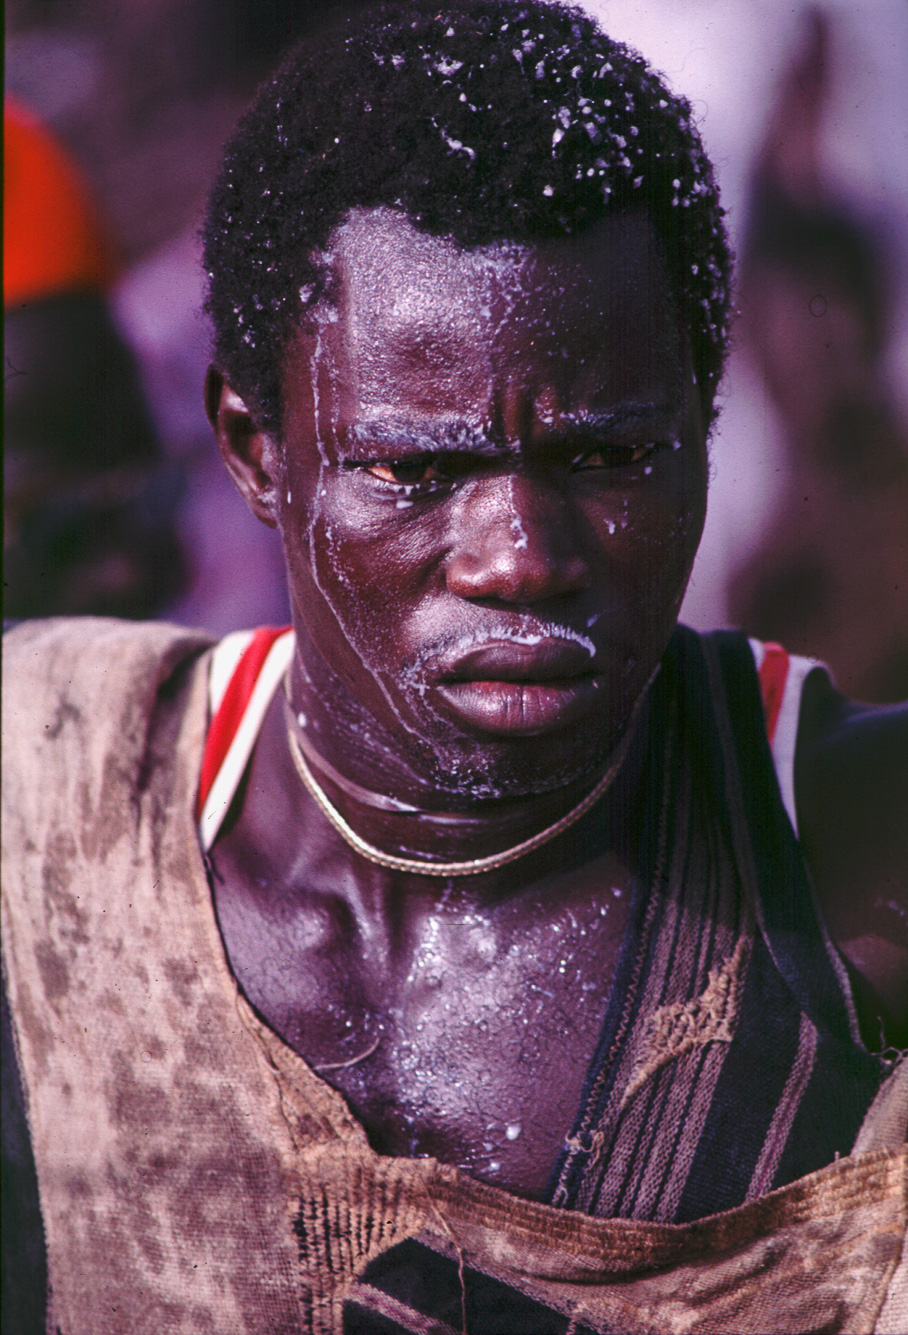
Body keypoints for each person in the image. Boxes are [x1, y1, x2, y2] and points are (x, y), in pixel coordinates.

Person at [2, 2, 906, 1331]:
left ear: (705, 421)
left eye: (604, 457)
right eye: (415, 472)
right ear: (257, 453)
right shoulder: (50, 793)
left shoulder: (851, 851)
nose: (518, 556)